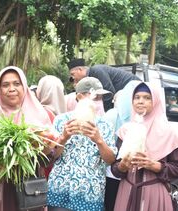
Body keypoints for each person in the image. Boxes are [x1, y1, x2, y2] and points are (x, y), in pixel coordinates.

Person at [0, 66, 52, 211]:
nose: (11, 89)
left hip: (31, 185)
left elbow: (48, 157)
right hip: (1, 185)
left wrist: (47, 143)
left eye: (16, 83)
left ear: (24, 86)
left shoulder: (39, 114)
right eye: (5, 85)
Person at [111, 82, 178, 211]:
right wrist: (122, 166)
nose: (141, 101)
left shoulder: (168, 132)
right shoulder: (126, 130)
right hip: (127, 191)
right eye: (137, 97)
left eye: (147, 97)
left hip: (154, 195)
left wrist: (154, 165)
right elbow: (115, 168)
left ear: (156, 101)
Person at [47, 77, 116, 211]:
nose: (98, 102)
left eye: (101, 98)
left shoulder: (105, 125)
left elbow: (110, 160)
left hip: (90, 194)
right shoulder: (61, 121)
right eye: (95, 97)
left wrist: (99, 140)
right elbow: (52, 155)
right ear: (79, 96)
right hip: (60, 191)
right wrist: (64, 138)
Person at [103, 80, 140, 211]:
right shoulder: (113, 115)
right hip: (116, 171)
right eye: (137, 97)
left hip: (121, 172)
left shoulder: (144, 119)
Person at [67, 58, 140, 111]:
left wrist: (106, 115)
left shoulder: (96, 71)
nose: (72, 78)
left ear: (80, 70)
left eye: (73, 74)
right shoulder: (90, 78)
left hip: (135, 89)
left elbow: (108, 94)